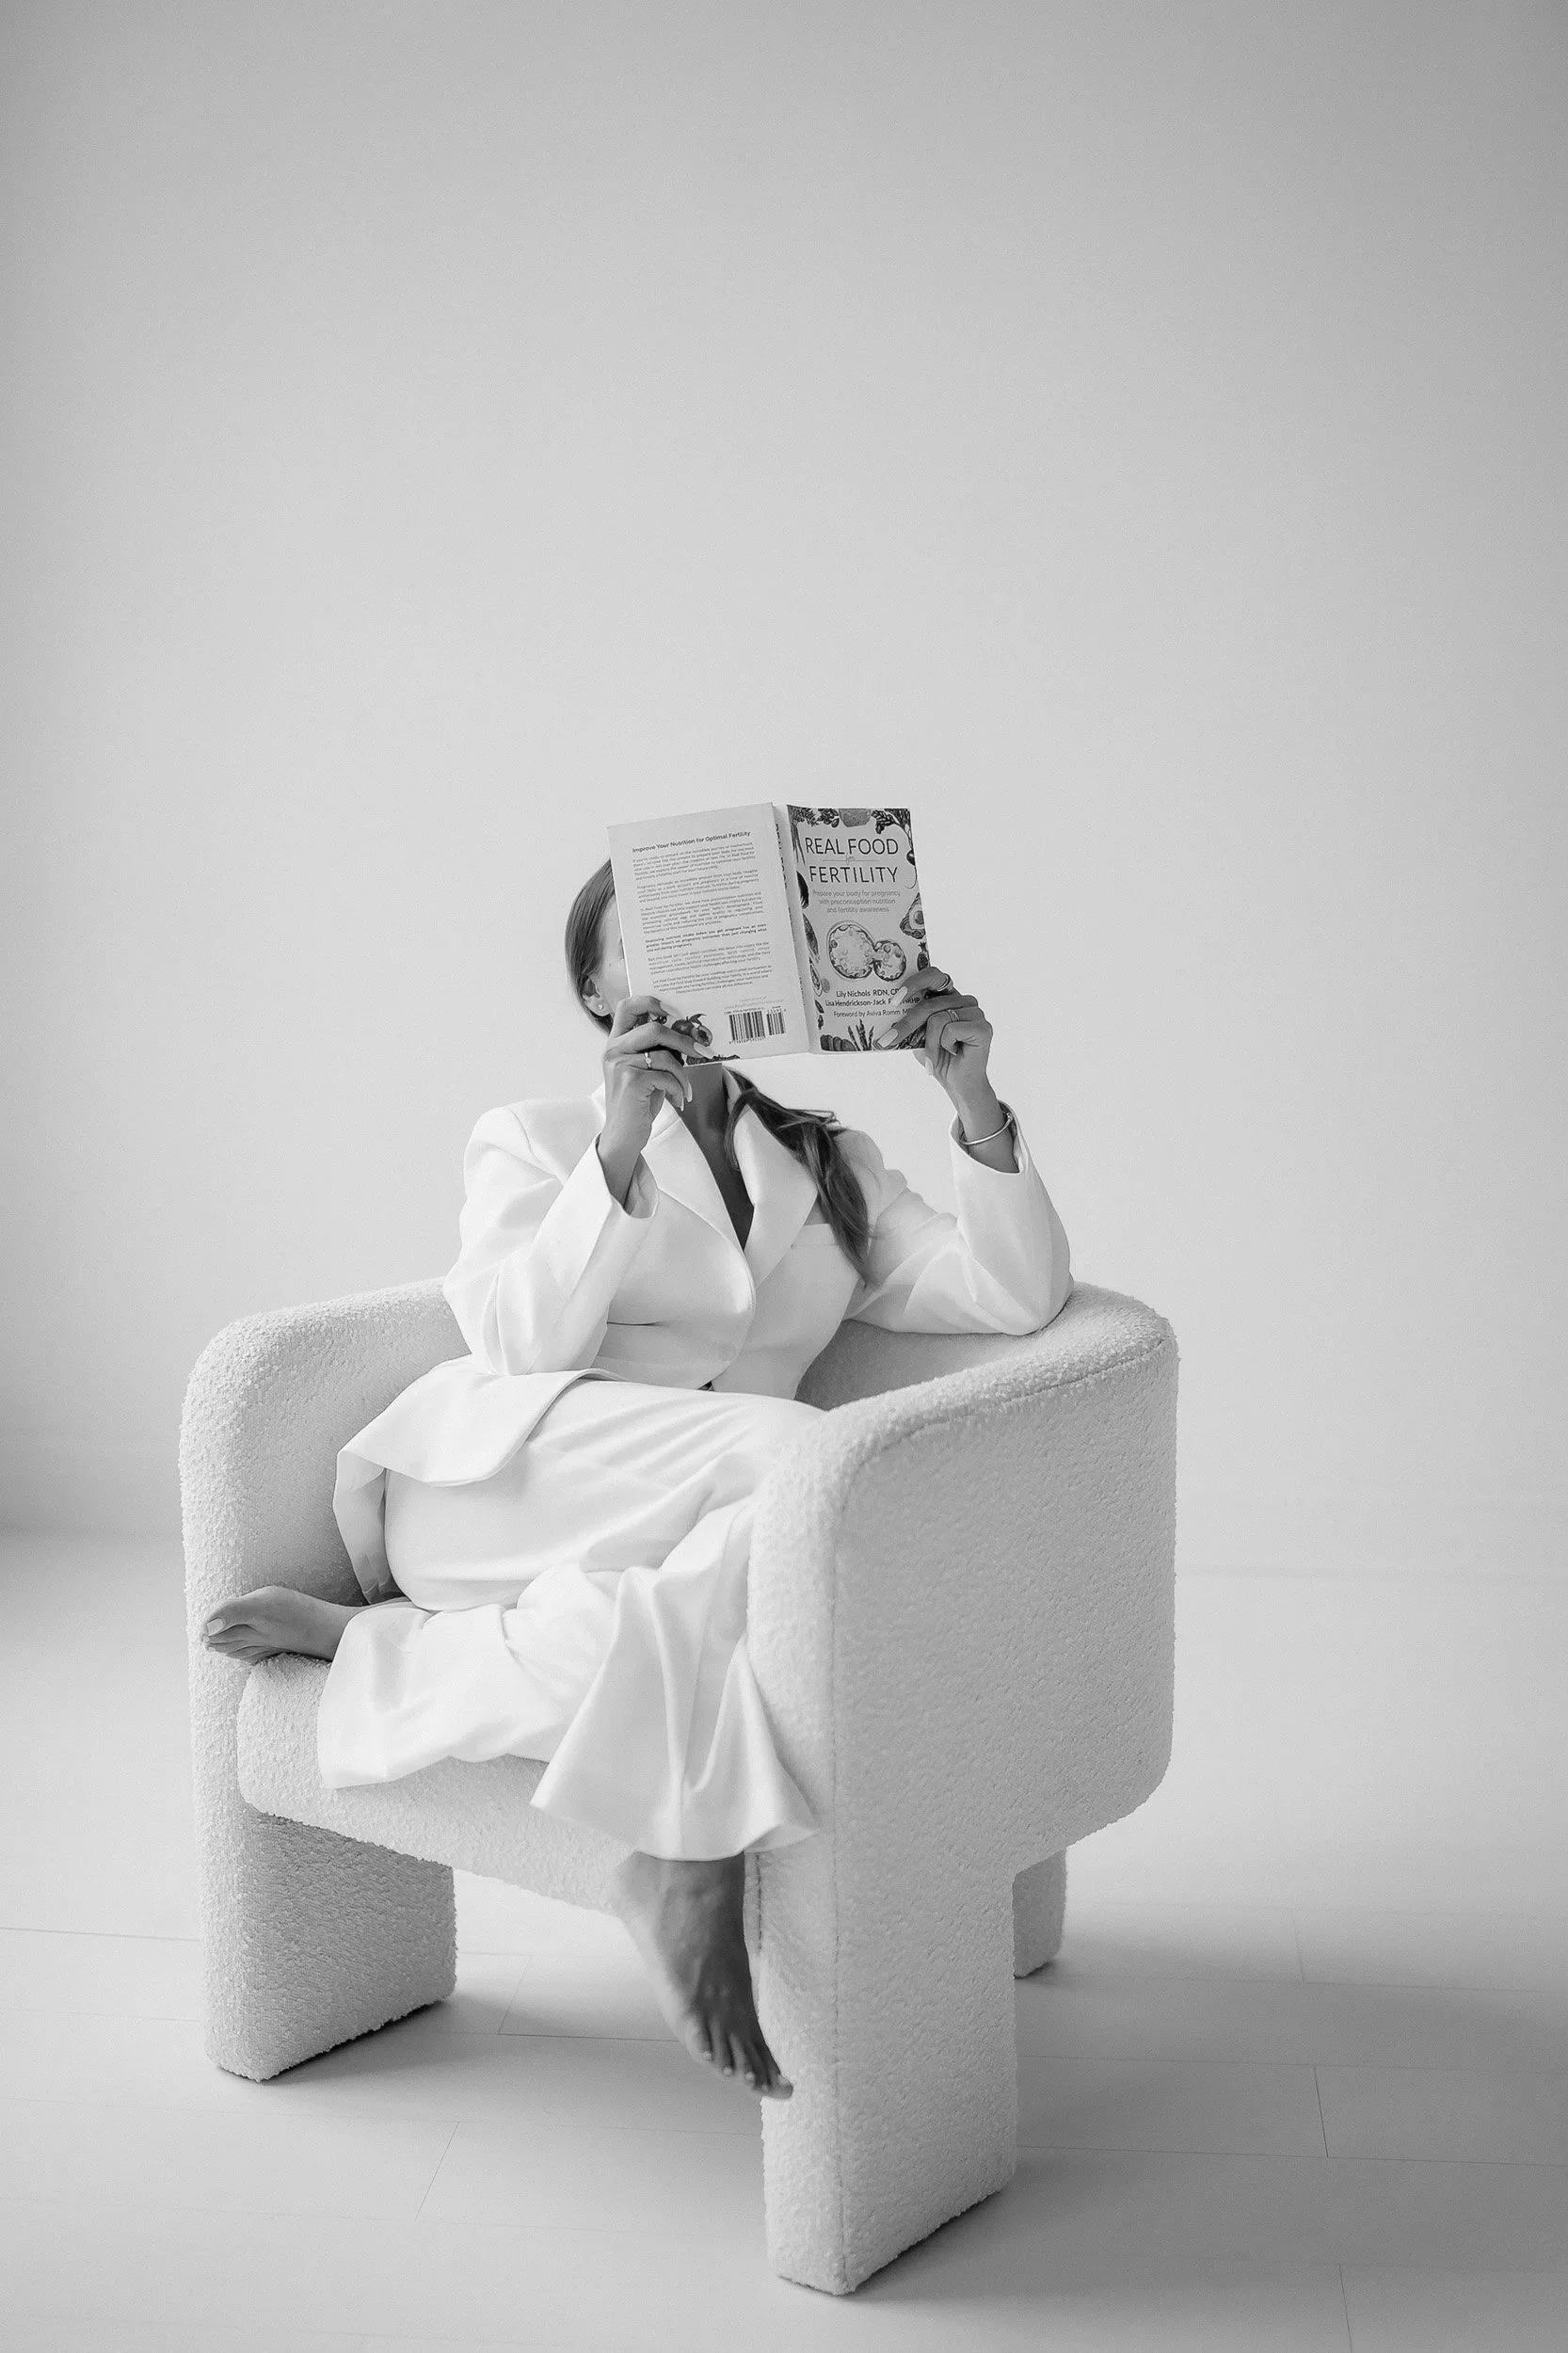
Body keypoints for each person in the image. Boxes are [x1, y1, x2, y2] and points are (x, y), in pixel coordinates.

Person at [203, 858, 1073, 2100]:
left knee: (782, 1527)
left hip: (691, 1535)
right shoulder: (532, 1136)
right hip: (498, 1486)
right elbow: (515, 1346)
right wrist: (615, 1150)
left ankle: (389, 1660)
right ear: (599, 986)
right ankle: (685, 1848)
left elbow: (1012, 1296)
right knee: (811, 1472)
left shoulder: (825, 1159)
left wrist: (971, 1097)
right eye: (652, 940)